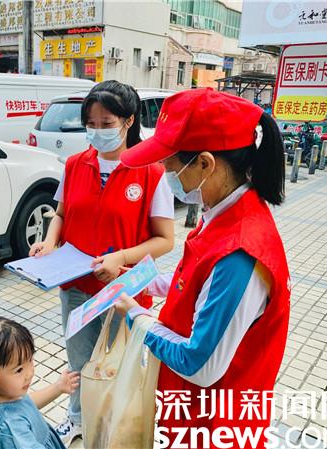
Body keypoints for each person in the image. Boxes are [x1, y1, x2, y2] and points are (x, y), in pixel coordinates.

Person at [115, 88, 290, 449]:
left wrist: (137, 318)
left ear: (206, 164)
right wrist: (144, 281)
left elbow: (200, 365)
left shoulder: (239, 254)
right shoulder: (222, 214)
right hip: (190, 411)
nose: (165, 174)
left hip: (212, 426)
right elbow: (194, 283)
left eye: (170, 166)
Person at [28, 80, 175, 444]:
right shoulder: (76, 164)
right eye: (90, 124)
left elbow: (165, 240)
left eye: (106, 123)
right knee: (79, 359)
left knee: (119, 362)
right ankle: (78, 418)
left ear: (128, 121)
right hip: (76, 287)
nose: (97, 131)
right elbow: (61, 214)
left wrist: (120, 258)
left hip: (122, 291)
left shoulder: (152, 172)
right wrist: (49, 242)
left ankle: (111, 423)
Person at [0, 318, 79, 449]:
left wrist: (58, 388)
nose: (30, 373)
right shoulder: (11, 429)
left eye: (30, 360)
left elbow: (25, 404)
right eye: (19, 370)